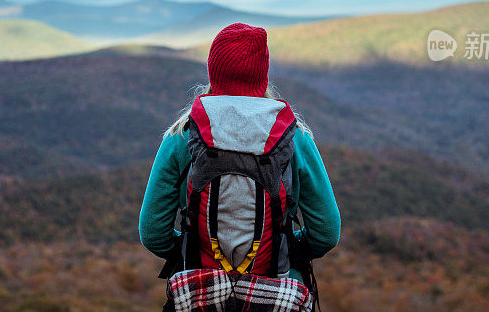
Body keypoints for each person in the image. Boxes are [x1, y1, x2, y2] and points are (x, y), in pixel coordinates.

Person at [139, 22, 340, 303]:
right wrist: (282, 248)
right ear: (263, 76)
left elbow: (152, 234)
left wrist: (193, 246)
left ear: (213, 71)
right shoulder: (295, 139)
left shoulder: (181, 137)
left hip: (200, 294)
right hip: (277, 293)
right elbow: (326, 233)